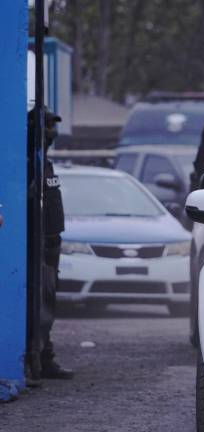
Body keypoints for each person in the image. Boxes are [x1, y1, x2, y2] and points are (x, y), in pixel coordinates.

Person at [33, 108, 74, 380]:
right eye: (47, 126)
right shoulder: (29, 161)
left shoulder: (44, 160)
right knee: (41, 303)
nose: (51, 132)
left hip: (51, 243)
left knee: (48, 302)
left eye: (53, 126)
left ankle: (45, 356)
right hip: (38, 246)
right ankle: (40, 358)